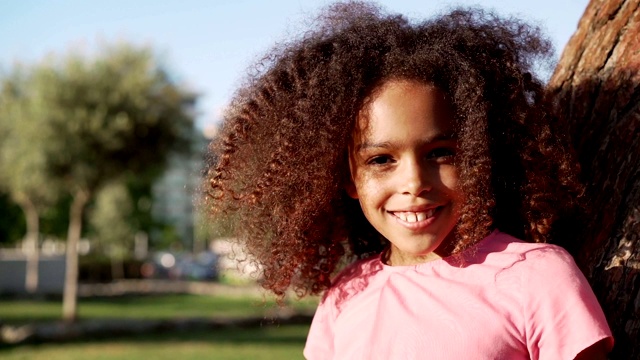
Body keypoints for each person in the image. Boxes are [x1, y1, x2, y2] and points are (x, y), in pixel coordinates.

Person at [205, 2, 613, 359]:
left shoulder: (537, 278)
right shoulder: (345, 296)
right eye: (382, 160)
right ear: (348, 179)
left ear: (481, 157)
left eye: (441, 153)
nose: (414, 181)